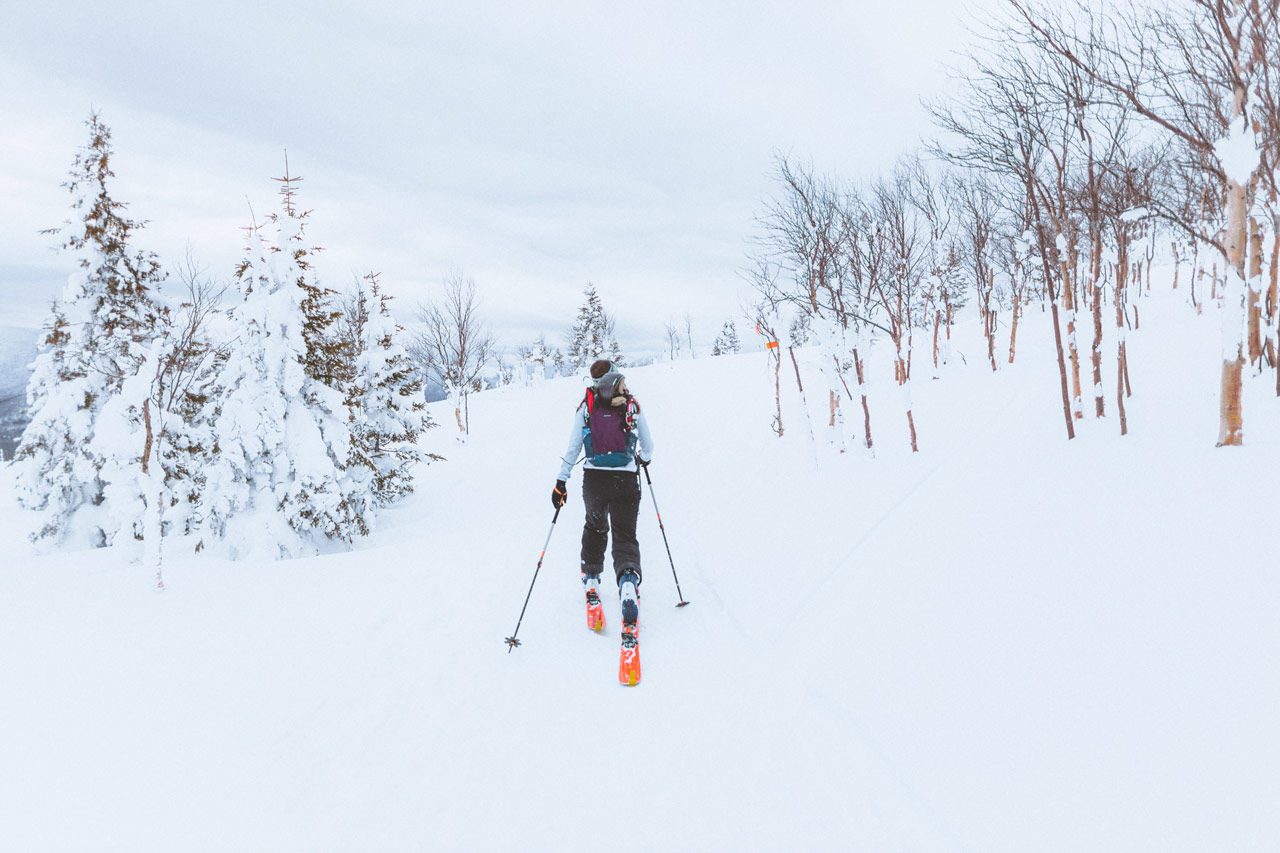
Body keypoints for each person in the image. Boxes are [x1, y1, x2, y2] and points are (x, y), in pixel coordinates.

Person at [552, 359, 654, 632]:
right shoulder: (631, 404)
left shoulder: (586, 406)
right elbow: (649, 446)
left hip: (595, 480)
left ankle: (593, 581)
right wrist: (642, 459)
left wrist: (561, 481)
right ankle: (629, 583)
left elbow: (573, 447)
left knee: (595, 527)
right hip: (626, 479)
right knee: (624, 534)